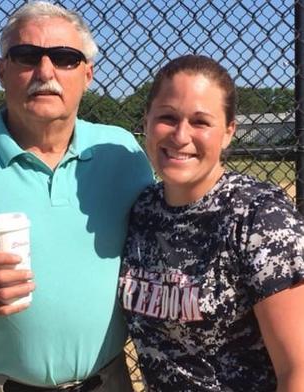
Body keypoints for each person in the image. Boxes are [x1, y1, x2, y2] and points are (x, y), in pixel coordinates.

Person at [0, 2, 153, 391]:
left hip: (108, 381)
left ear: (88, 74)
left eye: (65, 58)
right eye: (27, 56)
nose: (45, 72)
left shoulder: (122, 152)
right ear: (1, 70)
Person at [118, 54, 304, 391]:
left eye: (200, 122)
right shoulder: (143, 209)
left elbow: (298, 369)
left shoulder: (259, 215)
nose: (180, 135)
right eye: (167, 117)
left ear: (229, 131)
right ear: (146, 122)